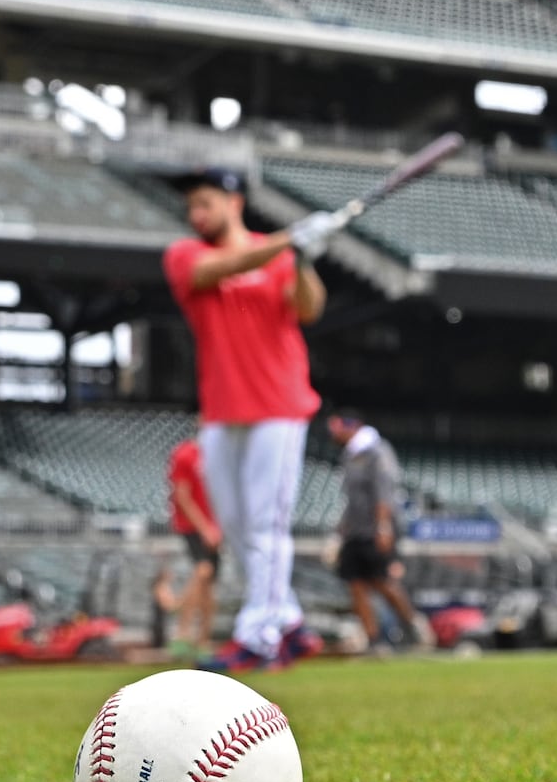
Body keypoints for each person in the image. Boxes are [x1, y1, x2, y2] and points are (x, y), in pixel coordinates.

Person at [162, 167, 339, 672]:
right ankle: (290, 621)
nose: (197, 214)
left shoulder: (277, 254)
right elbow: (214, 271)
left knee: (266, 524)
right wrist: (290, 240)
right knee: (238, 529)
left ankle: (259, 635)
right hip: (221, 410)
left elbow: (309, 308)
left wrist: (300, 258)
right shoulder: (186, 255)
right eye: (192, 206)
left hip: (278, 406)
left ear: (234, 202)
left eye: (206, 203)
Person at [326, 409, 435, 652]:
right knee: (354, 584)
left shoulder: (377, 451)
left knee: (382, 582)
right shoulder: (350, 456)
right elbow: (350, 502)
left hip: (375, 530)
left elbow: (384, 492)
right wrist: (338, 536)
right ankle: (373, 640)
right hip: (355, 531)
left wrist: (383, 527)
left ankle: (415, 627)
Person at [165, 436, 221, 658]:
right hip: (192, 525)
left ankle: (203, 642)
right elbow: (182, 495)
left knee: (209, 584)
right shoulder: (186, 454)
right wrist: (205, 527)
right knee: (203, 570)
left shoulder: (221, 455)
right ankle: (182, 633)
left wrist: (218, 527)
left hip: (215, 528)